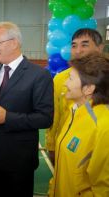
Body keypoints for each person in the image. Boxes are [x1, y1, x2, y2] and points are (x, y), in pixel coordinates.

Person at [0, 22, 54, 197]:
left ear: (14, 43)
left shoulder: (38, 75)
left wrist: (7, 118)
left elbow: (45, 118)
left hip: (19, 161)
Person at [50, 53, 109, 196]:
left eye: (70, 78)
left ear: (88, 88)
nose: (65, 83)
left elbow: (102, 186)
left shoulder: (103, 127)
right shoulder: (74, 111)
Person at [45, 28, 104, 165]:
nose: (78, 51)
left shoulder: (105, 78)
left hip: (95, 149)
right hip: (66, 145)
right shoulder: (60, 79)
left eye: (84, 45)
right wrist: (52, 145)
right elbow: (55, 114)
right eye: (74, 45)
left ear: (100, 48)